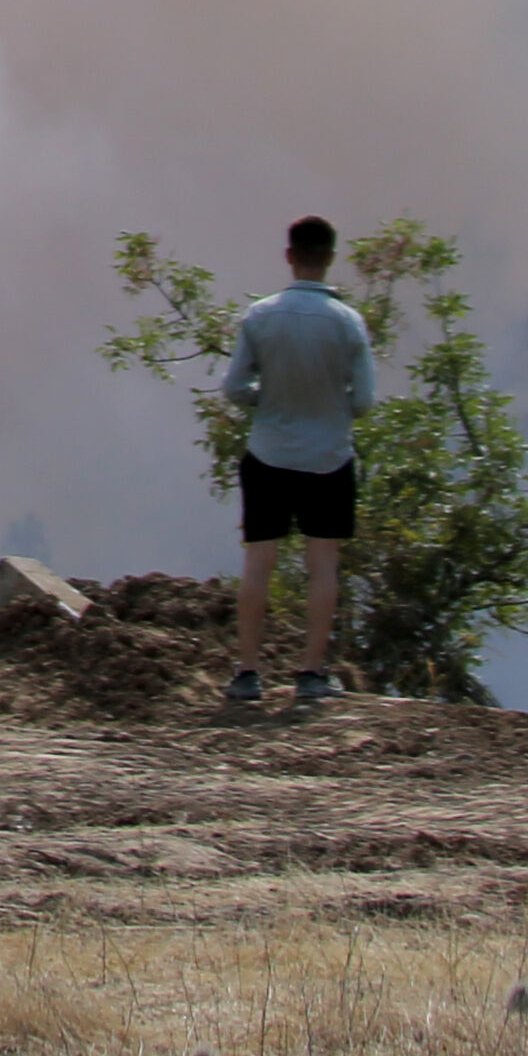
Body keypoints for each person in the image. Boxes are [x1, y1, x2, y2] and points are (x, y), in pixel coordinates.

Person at [219, 214, 378, 709]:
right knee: (322, 564)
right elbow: (364, 401)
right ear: (331, 258)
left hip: (268, 452)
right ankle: (311, 672)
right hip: (328, 457)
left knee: (259, 561)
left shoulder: (260, 316)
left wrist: (265, 400)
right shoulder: (348, 323)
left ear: (289, 255)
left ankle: (248, 672)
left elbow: (233, 388)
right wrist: (331, 408)